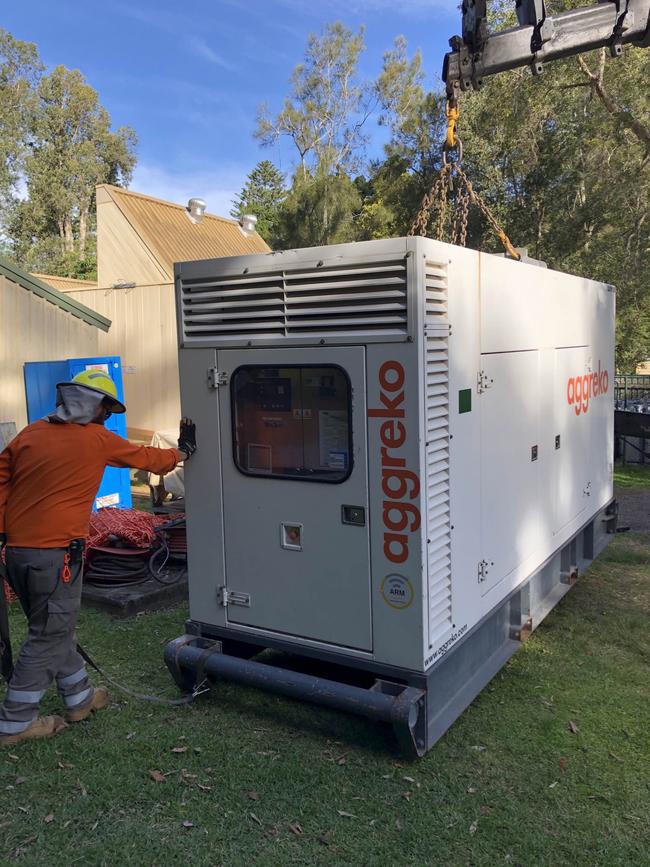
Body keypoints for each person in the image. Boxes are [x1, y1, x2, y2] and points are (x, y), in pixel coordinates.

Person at [0, 370, 196, 746]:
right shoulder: (96, 439)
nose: (108, 417)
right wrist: (182, 452)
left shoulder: (30, 434)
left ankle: (79, 699)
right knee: (48, 634)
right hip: (56, 558)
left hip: (19, 554)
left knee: (56, 627)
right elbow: (150, 459)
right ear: (92, 405)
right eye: (106, 409)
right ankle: (15, 722)